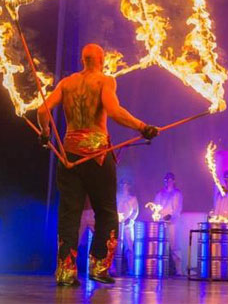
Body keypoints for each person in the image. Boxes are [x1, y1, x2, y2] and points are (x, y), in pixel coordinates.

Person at [37, 43, 158, 286]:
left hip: (69, 155)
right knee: (106, 211)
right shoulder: (105, 81)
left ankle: (65, 272)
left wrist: (45, 132)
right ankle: (99, 267)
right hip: (97, 156)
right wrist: (142, 127)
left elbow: (42, 110)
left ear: (83, 60)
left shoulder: (67, 83)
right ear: (101, 60)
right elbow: (113, 111)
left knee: (70, 213)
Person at [154, 172, 183, 275]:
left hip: (173, 224)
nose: (168, 181)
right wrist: (159, 217)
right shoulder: (160, 193)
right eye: (166, 180)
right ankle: (161, 269)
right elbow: (156, 207)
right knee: (161, 246)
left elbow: (178, 208)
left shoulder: (177, 193)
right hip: (162, 223)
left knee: (175, 246)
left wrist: (171, 216)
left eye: (170, 179)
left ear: (174, 181)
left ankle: (179, 270)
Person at [117, 178, 139, 274]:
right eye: (122, 184)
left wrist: (130, 219)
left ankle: (131, 269)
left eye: (126, 184)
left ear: (129, 186)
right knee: (116, 247)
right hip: (117, 224)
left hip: (128, 226)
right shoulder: (116, 196)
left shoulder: (132, 198)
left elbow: (135, 211)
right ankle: (115, 268)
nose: (124, 186)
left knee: (129, 247)